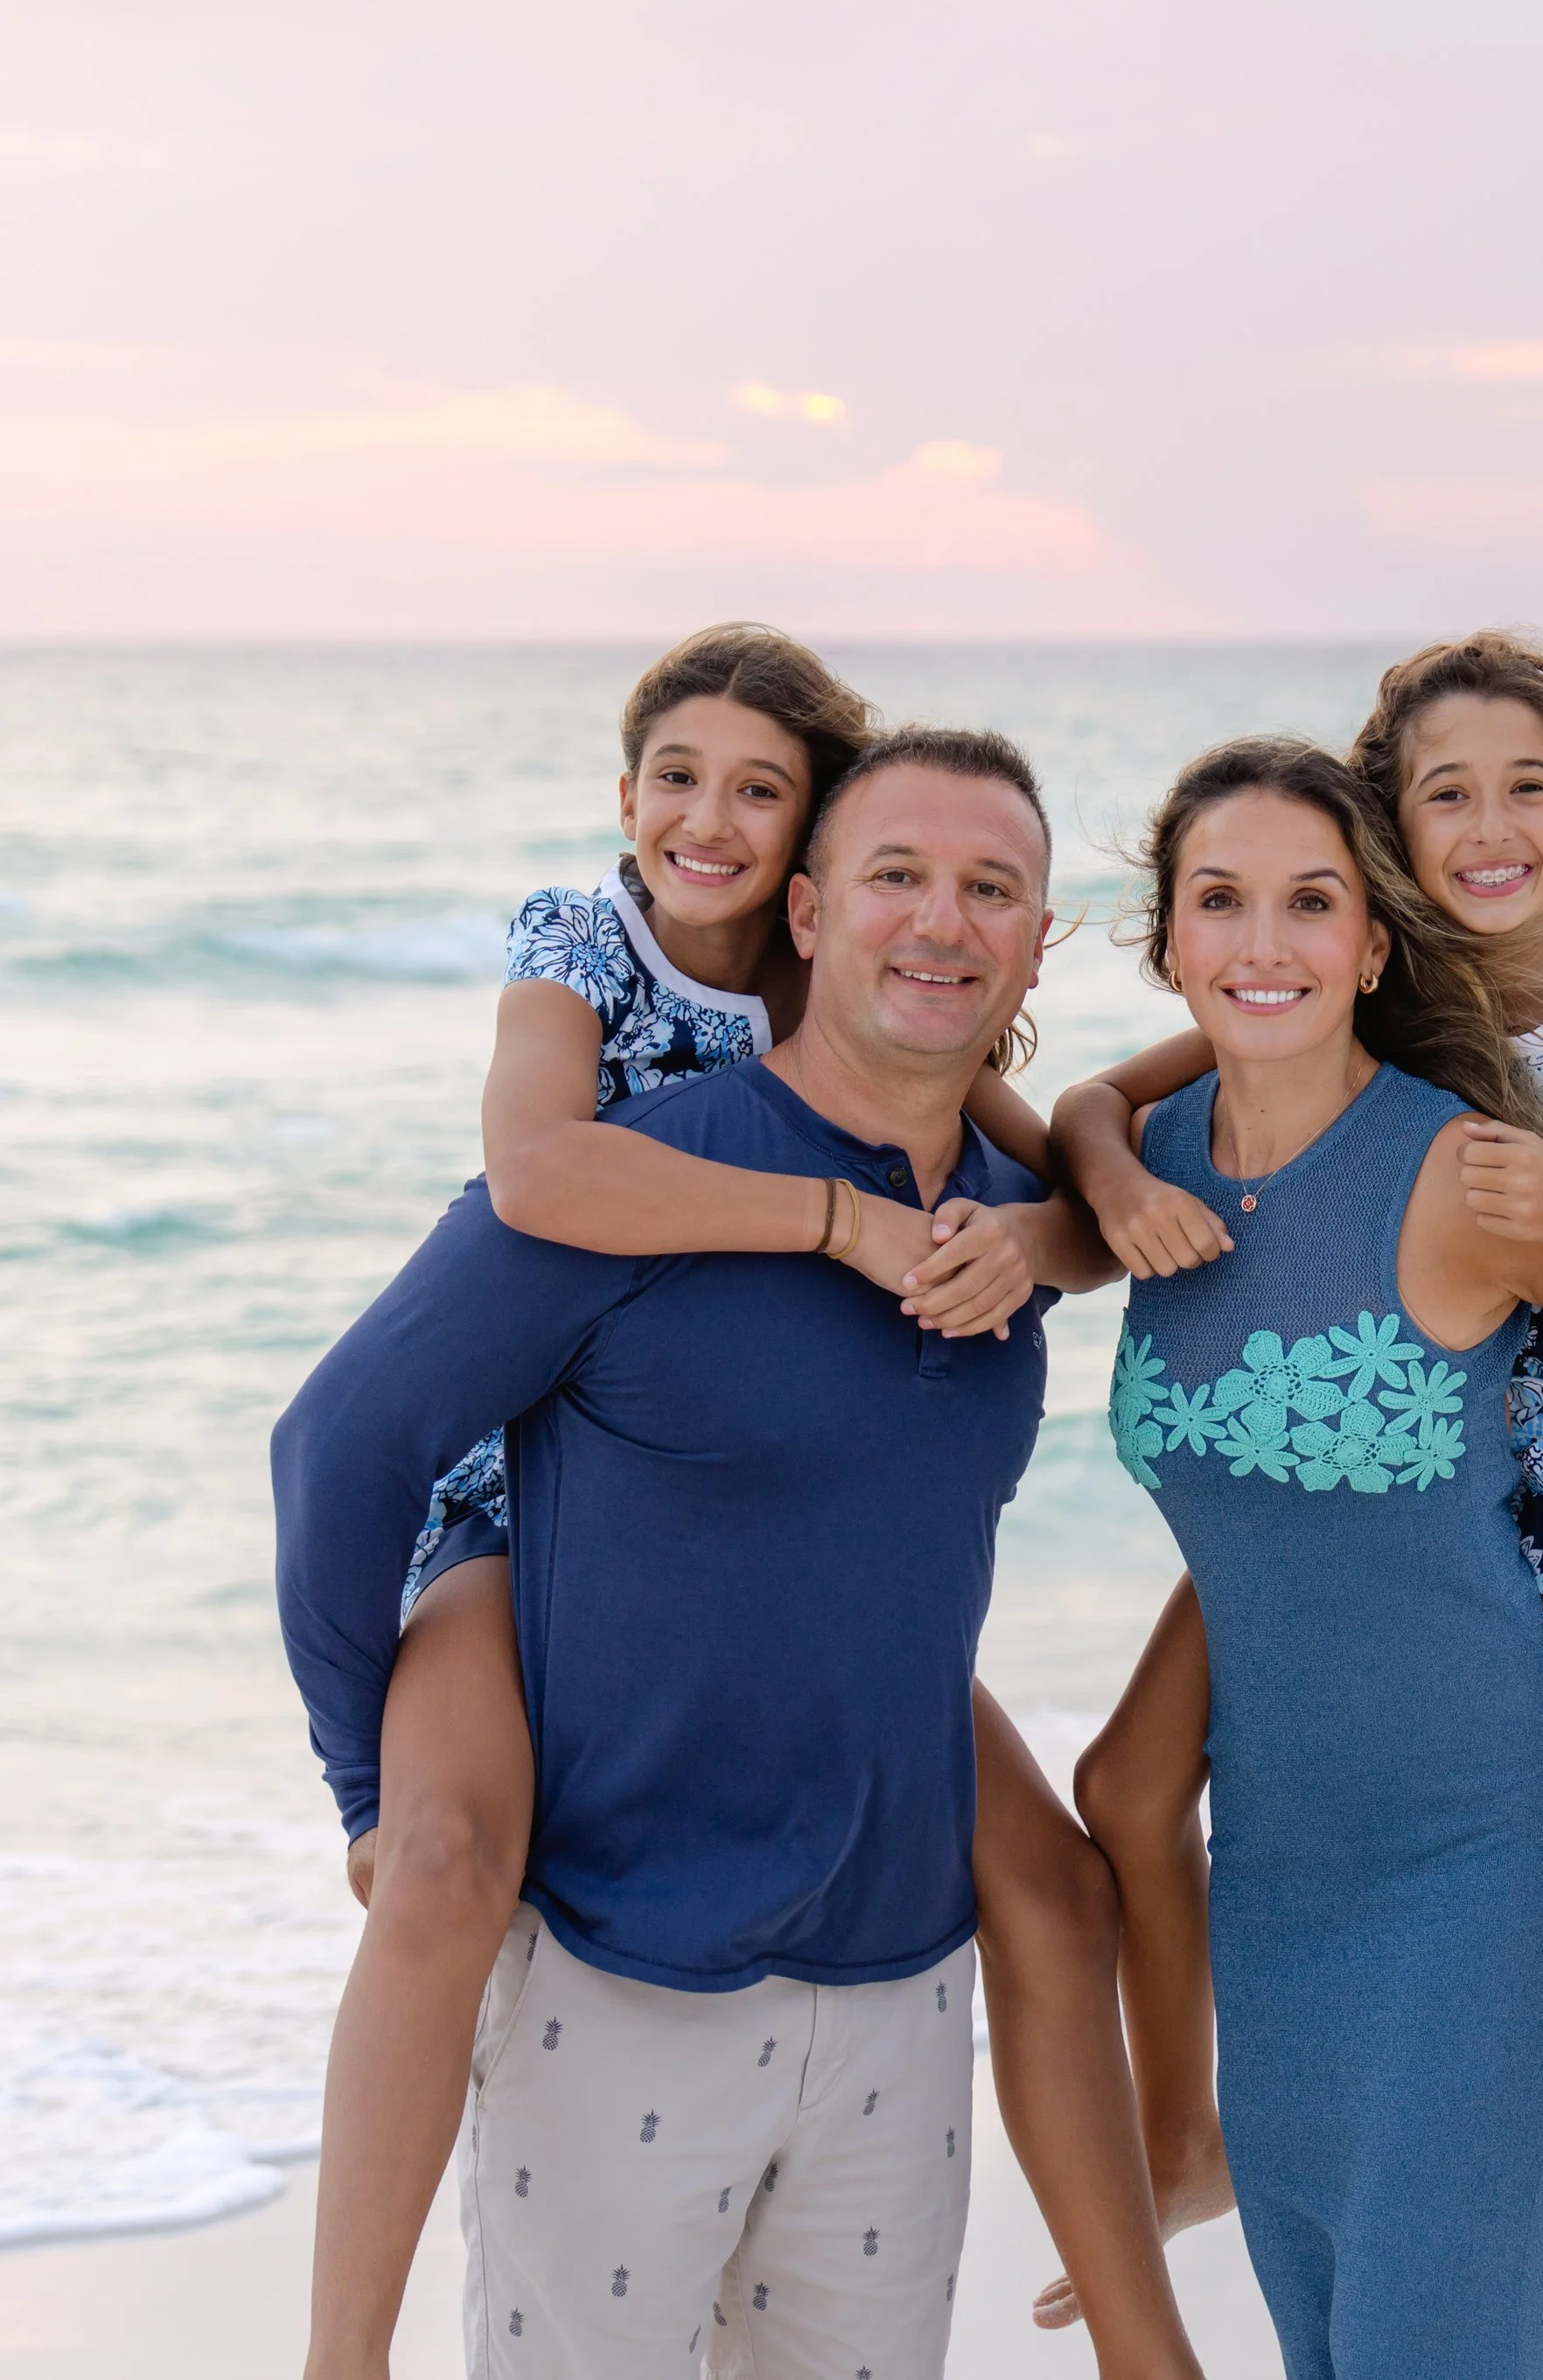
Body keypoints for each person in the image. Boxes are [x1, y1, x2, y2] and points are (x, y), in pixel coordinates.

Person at [274, 728, 1182, 2380]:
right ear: (812, 915)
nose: (943, 920)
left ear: (1039, 943)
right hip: (618, 1988)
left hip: (906, 1993)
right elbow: (339, 1451)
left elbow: (1195, 1153)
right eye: (897, 875)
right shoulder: (633, 1187)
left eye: (992, 889)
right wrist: (365, 1784)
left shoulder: (1011, 1217)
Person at [1055, 725, 1543, 2377]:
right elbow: (1064, 1126)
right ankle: (1194, 2149)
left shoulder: (1468, 1172)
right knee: (1334, 2341)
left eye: (1311, 902)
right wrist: (1080, 1161)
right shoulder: (1149, 1176)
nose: (1266, 944)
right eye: (1222, 902)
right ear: (1167, 939)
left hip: (1496, 1855)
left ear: (1372, 942)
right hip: (1274, 1876)